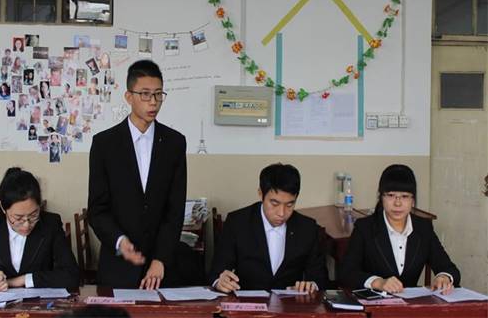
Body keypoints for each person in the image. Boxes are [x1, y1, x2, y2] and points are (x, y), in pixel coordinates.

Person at [88, 60, 186, 289]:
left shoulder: (174, 143)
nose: (153, 102)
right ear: (128, 97)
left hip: (160, 269)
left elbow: (175, 209)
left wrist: (160, 259)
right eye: (145, 94)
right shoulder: (104, 144)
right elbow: (97, 209)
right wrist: (120, 242)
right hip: (117, 267)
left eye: (158, 94)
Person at [339, 164, 460, 294]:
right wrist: (378, 282)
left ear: (413, 200)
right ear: (381, 197)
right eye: (391, 195)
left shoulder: (423, 228)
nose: (397, 203)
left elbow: (450, 269)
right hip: (375, 302)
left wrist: (444, 277)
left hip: (411, 304)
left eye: (405, 196)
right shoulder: (365, 228)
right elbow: (346, 273)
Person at [209, 163, 328, 293]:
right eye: (274, 203)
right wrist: (220, 282)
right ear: (261, 194)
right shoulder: (237, 223)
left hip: (290, 303)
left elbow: (320, 278)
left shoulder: (307, 228)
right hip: (247, 302)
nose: (281, 213)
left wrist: (311, 286)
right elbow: (216, 272)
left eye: (289, 205)